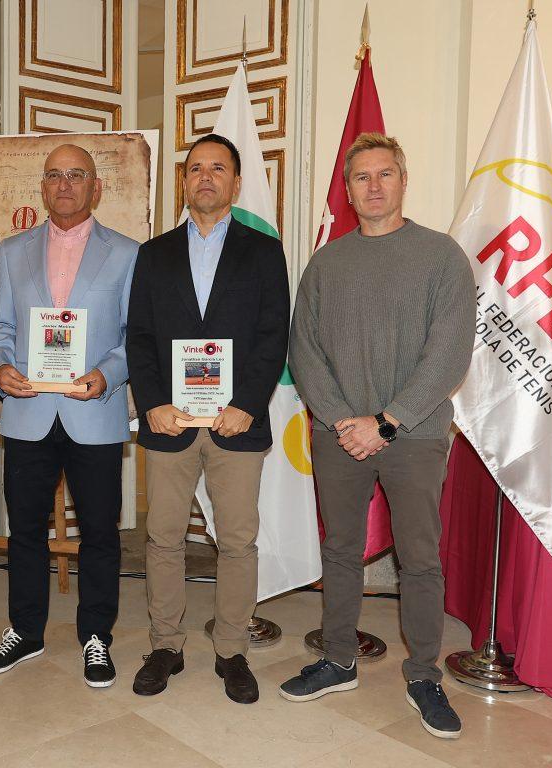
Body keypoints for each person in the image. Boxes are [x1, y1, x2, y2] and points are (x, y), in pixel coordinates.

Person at [283, 132, 473, 740]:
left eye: (384, 174)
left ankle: (424, 677)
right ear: (347, 189)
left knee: (419, 558)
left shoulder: (441, 256)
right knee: (340, 550)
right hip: (338, 434)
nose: (373, 186)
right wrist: (345, 420)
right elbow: (304, 350)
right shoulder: (326, 263)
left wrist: (388, 421)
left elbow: (449, 353)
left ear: (403, 180)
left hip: (414, 434)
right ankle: (337, 660)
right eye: (361, 177)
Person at [126, 133, 289, 704]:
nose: (205, 176)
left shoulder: (263, 251)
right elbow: (139, 337)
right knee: (163, 539)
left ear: (235, 183)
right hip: (169, 422)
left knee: (238, 542)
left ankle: (232, 650)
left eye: (218, 168)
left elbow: (273, 335)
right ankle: (165, 645)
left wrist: (248, 403)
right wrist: (152, 402)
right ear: (184, 181)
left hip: (235, 424)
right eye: (195, 168)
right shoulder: (154, 254)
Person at [0, 144, 138, 688]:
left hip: (94, 411)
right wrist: (0, 366)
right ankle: (25, 631)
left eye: (76, 174)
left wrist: (108, 375)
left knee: (99, 531)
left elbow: (135, 335)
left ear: (96, 187)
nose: (64, 184)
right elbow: (1, 326)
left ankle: (96, 636)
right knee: (24, 528)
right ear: (42, 188)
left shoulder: (127, 253)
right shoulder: (11, 251)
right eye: (54, 175)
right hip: (28, 411)